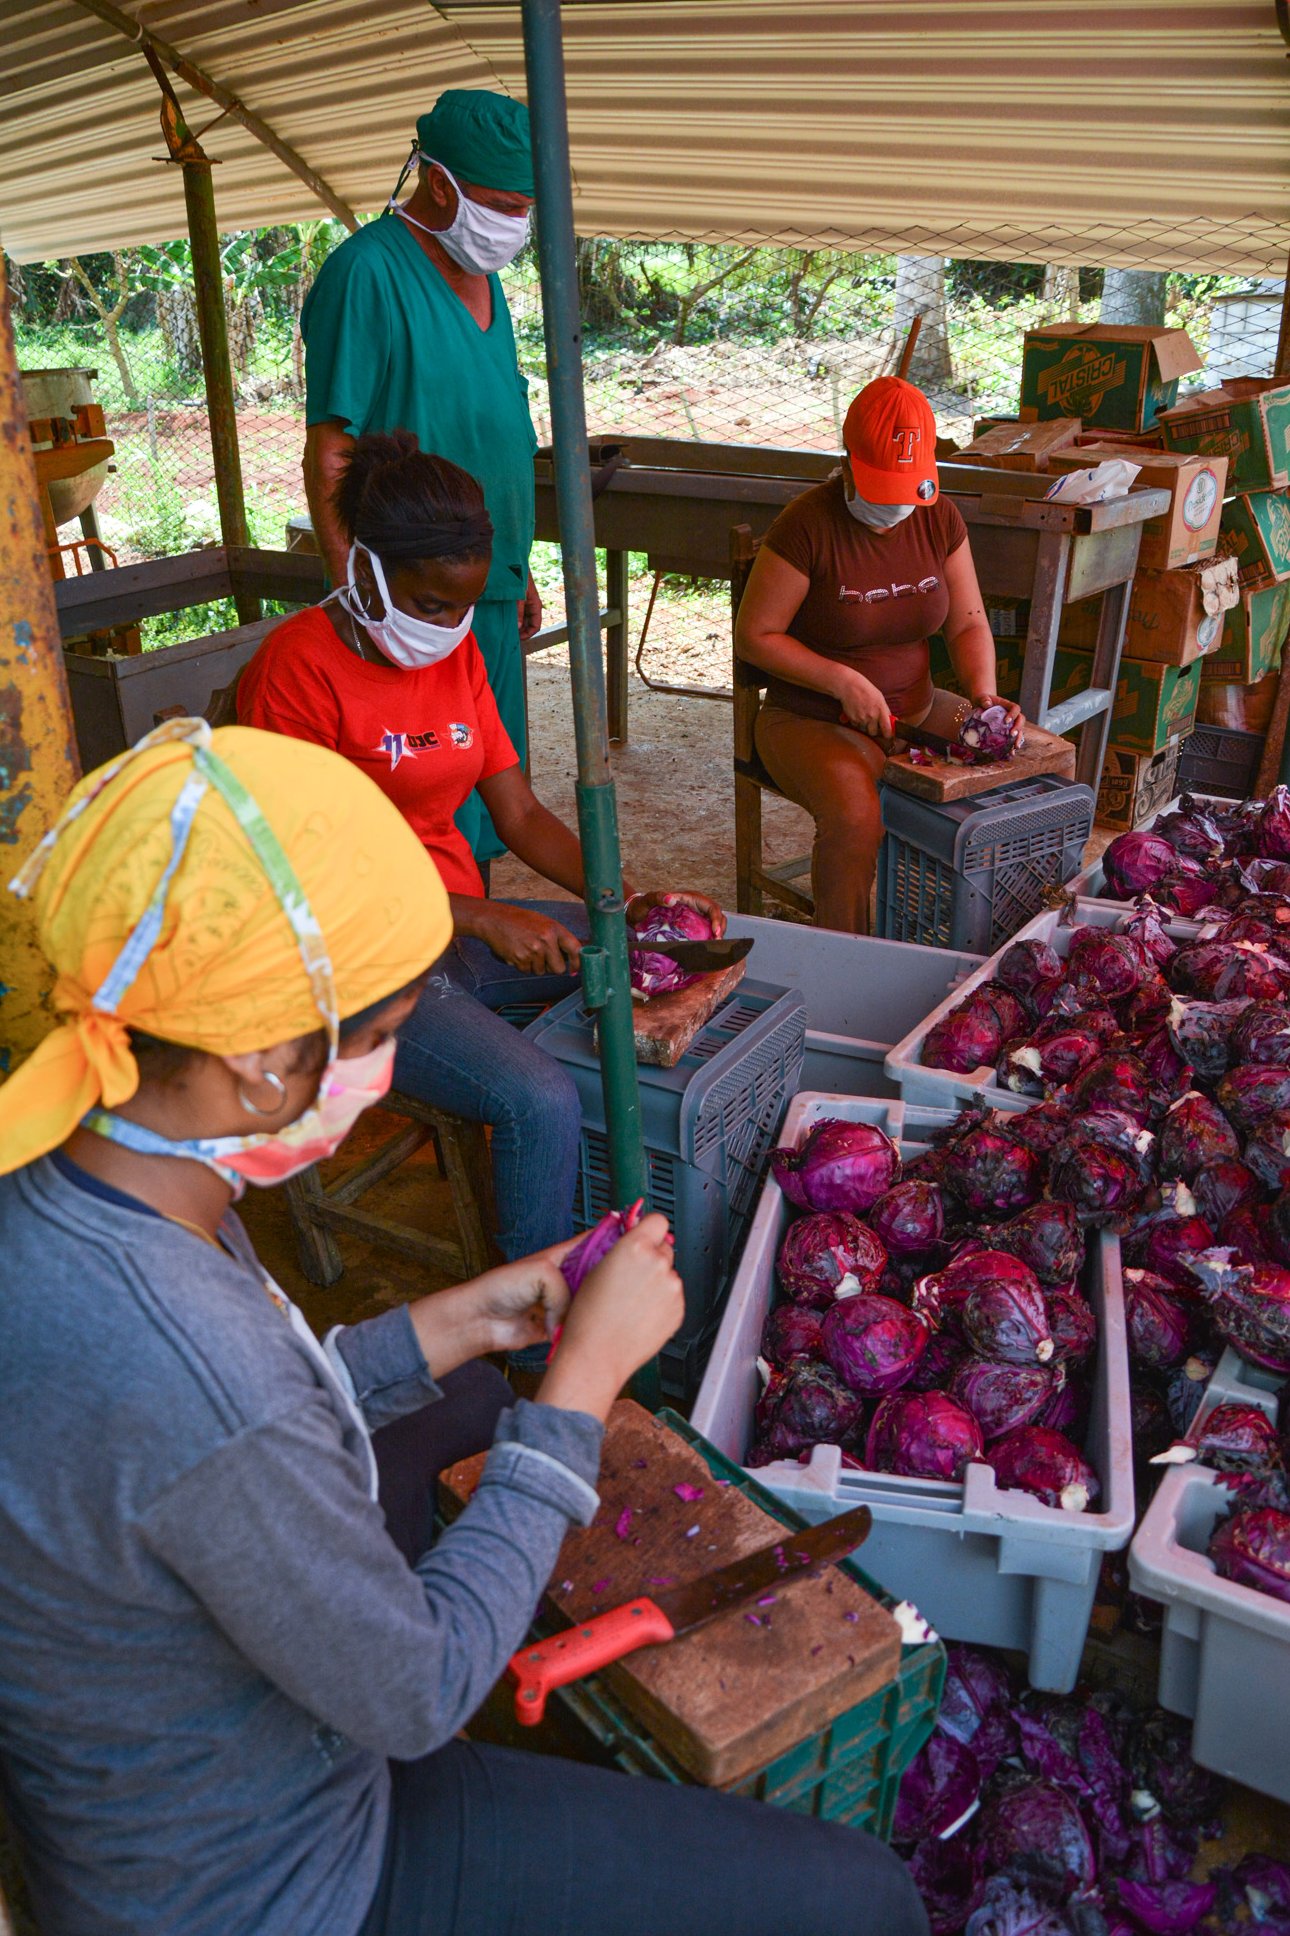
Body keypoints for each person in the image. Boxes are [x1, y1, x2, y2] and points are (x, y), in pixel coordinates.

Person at [0, 720, 930, 1936]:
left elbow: (238, 1423)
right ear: (265, 1065)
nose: (388, 1070)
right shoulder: (197, 1370)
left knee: (472, 1405)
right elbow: (420, 1688)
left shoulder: (84, 1178)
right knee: (866, 1902)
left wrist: (462, 1320)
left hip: (143, 1792)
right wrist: (581, 1393)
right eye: (381, 1038)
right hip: (278, 1884)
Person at [238, 430, 722, 1281]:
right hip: (346, 965)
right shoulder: (295, 671)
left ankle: (629, 1225)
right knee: (538, 1100)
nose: (448, 626)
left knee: (667, 960)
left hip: (451, 936)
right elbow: (294, 872)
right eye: (429, 604)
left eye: (462, 606)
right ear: (364, 570)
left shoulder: (455, 647)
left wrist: (624, 898)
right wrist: (477, 913)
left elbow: (521, 810)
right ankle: (532, 1337)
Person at [302, 87, 541, 873]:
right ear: (441, 185)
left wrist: (518, 571)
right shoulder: (366, 273)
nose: (517, 224)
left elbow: (489, 422)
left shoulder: (487, 282)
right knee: (426, 803)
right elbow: (333, 443)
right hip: (410, 587)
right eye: (505, 204)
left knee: (493, 790)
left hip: (486, 578)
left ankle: (476, 946)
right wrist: (353, 591)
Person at [735, 375, 1023, 934]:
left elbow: (967, 621)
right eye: (880, 488)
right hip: (811, 718)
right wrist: (841, 681)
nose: (894, 507)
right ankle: (848, 956)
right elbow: (757, 636)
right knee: (854, 819)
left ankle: (978, 936)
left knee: (1022, 761)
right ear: (848, 462)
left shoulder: (939, 517)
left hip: (915, 705)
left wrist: (984, 697)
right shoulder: (807, 525)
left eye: (904, 490)